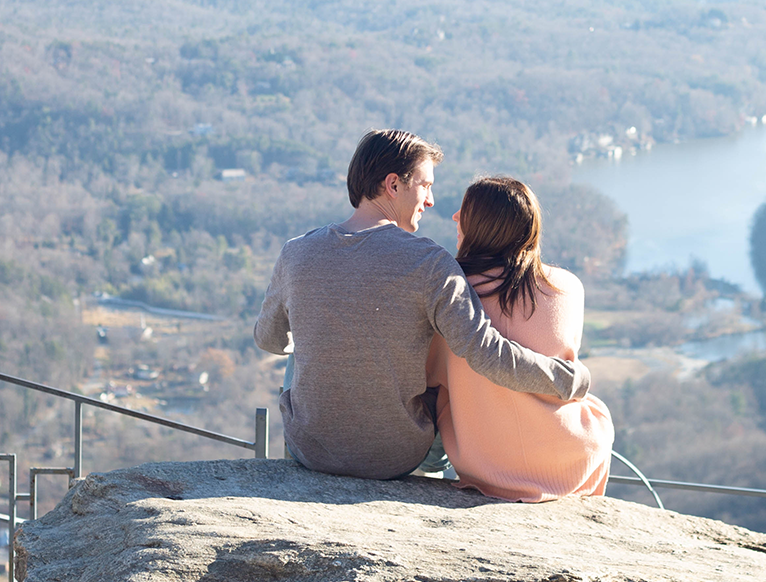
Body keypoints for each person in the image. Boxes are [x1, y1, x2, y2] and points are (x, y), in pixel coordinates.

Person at [253, 130, 592, 480]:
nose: (430, 201)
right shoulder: (429, 263)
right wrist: (570, 380)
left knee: (298, 349)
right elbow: (488, 355)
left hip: (309, 450)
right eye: (425, 185)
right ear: (393, 185)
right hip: (396, 456)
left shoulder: (296, 252)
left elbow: (269, 340)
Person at [426, 176, 614, 501]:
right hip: (567, 457)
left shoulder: (451, 295)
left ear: (484, 226)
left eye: (465, 211)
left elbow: (429, 374)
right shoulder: (567, 288)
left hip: (482, 461)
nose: (455, 217)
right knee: (595, 411)